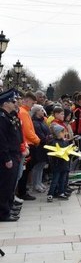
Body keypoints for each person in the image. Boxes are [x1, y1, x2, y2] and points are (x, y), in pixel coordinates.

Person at [0, 89, 23, 222]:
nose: (14, 103)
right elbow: (2, 140)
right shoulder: (2, 118)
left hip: (14, 154)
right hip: (7, 156)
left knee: (10, 184)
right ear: (4, 103)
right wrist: (7, 157)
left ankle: (8, 207)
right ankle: (3, 212)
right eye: (12, 101)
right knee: (5, 185)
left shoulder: (8, 116)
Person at [46, 124, 71, 202]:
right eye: (63, 132)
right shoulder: (54, 142)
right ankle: (50, 194)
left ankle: (61, 192)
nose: (64, 133)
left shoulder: (64, 141)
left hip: (64, 163)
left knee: (62, 180)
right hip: (57, 164)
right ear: (58, 133)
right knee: (55, 179)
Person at [30, 104, 51, 193]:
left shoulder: (42, 121)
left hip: (44, 146)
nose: (43, 112)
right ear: (36, 112)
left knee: (42, 165)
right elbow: (40, 135)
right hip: (39, 147)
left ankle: (39, 182)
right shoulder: (35, 122)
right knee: (37, 166)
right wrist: (47, 138)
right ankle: (36, 184)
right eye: (41, 110)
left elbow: (47, 131)